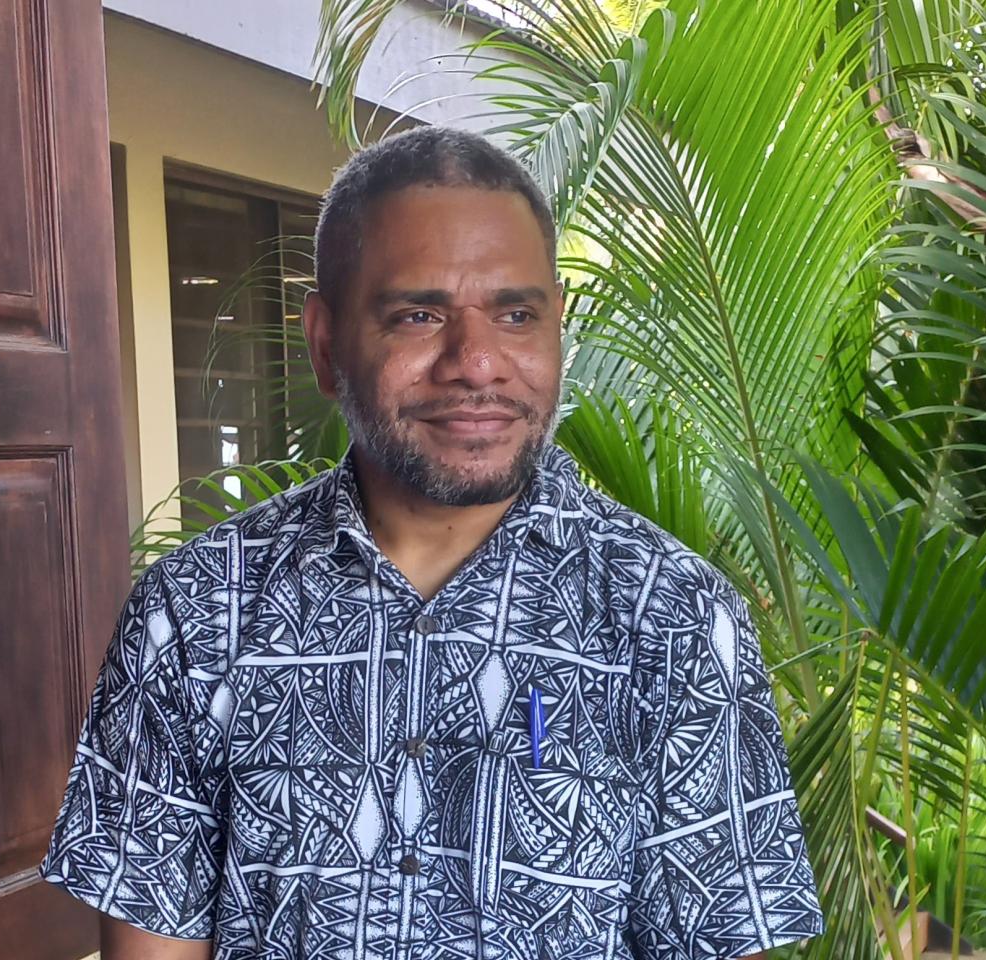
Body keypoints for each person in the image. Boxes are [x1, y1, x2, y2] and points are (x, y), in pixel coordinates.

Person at [40, 126, 824, 960]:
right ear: (325, 345)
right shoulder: (196, 616)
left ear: (557, 330)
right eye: (420, 315)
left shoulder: (673, 620)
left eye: (515, 314)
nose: (477, 362)